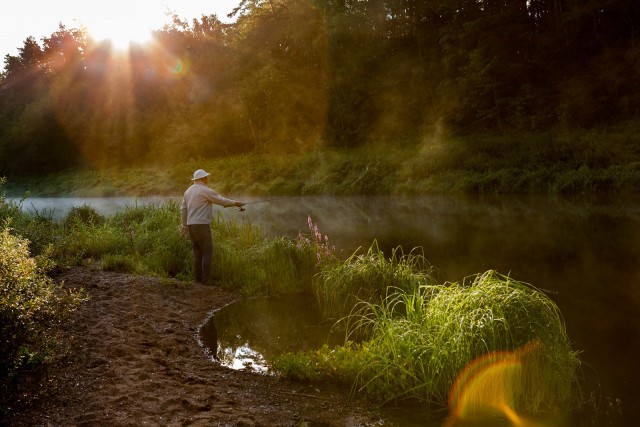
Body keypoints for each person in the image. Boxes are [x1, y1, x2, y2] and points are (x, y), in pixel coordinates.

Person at [181, 169, 244, 284]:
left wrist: (184, 225)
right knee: (208, 251)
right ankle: (206, 280)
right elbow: (222, 201)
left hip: (191, 226)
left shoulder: (188, 191)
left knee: (197, 252)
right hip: (202, 225)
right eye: (206, 177)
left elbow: (183, 209)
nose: (207, 179)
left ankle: (198, 279)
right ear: (203, 179)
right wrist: (236, 203)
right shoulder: (205, 190)